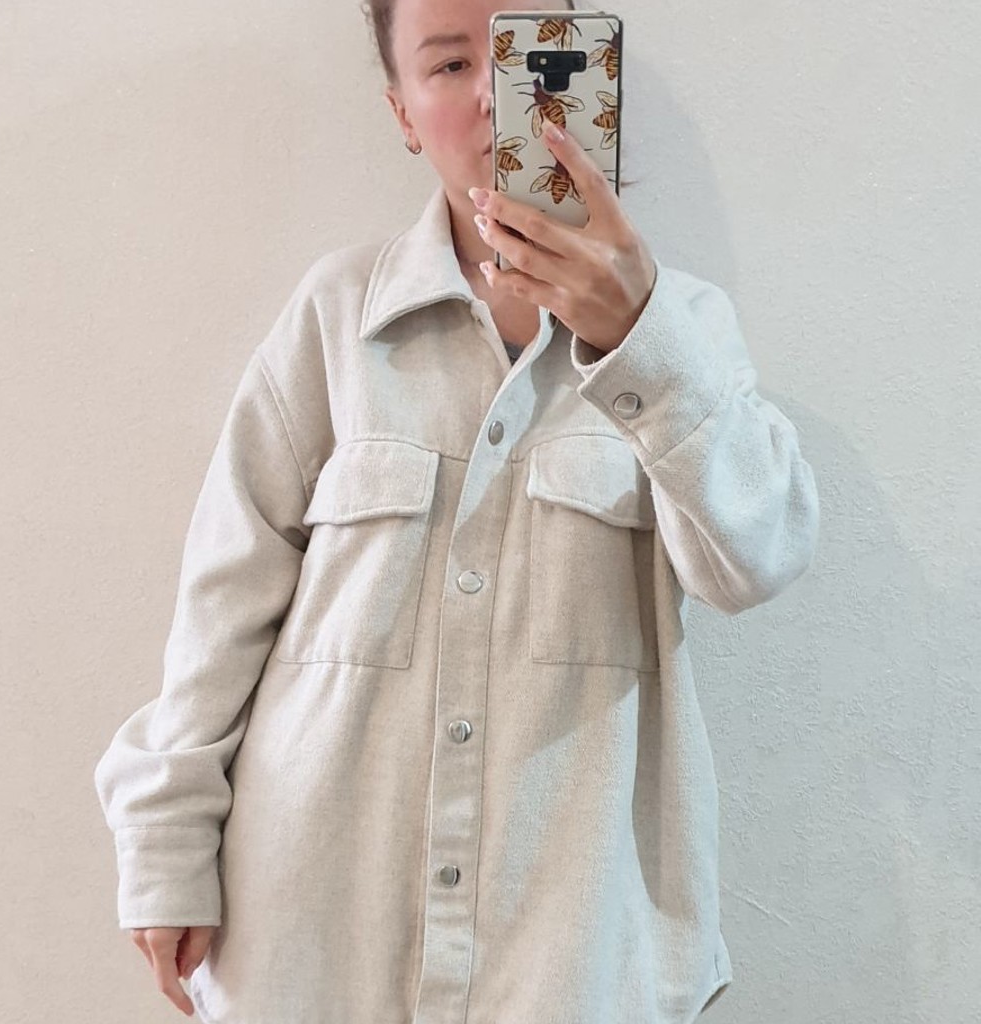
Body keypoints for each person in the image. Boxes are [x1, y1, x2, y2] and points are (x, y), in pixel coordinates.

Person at [93, 0, 821, 1020]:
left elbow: (758, 556)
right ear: (402, 112)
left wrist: (637, 337)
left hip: (567, 950)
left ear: (594, 74)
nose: (495, 95)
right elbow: (223, 601)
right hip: (316, 933)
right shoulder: (337, 317)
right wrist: (165, 844)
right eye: (447, 65)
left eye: (533, 55)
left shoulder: (687, 329)